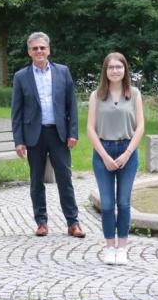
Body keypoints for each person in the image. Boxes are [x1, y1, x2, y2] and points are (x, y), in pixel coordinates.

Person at [11, 32, 83, 238]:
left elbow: (72, 106)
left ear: (49, 50)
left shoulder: (63, 72)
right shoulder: (21, 77)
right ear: (29, 52)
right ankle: (41, 222)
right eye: (35, 48)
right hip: (34, 135)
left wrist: (73, 132)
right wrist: (19, 140)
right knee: (36, 180)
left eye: (42, 47)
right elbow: (16, 112)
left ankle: (73, 222)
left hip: (59, 134)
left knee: (65, 178)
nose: (39, 51)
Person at [87, 52, 145, 265]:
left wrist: (127, 153)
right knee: (108, 204)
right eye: (111, 67)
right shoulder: (97, 95)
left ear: (125, 70)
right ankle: (109, 246)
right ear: (105, 70)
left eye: (118, 67)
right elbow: (90, 128)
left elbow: (140, 127)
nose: (115, 71)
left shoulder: (134, 94)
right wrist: (104, 156)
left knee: (124, 202)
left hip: (127, 151)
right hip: (103, 151)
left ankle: (122, 247)